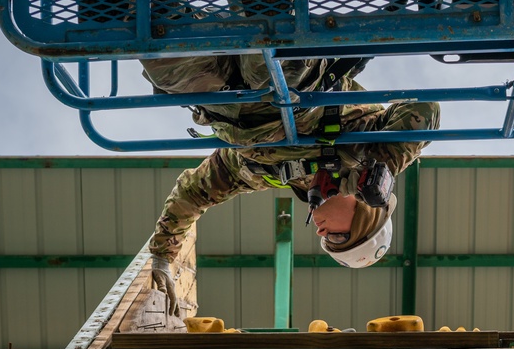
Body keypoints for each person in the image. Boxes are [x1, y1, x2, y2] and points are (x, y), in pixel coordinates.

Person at [142, 52, 441, 315]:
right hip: (291, 86)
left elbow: (193, 193)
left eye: (327, 242)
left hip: (219, 99)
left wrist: (162, 257)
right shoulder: (364, 145)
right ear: (364, 216)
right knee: (266, 63)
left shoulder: (267, 172)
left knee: (161, 59)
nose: (322, 233)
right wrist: (381, 166)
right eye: (337, 238)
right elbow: (426, 109)